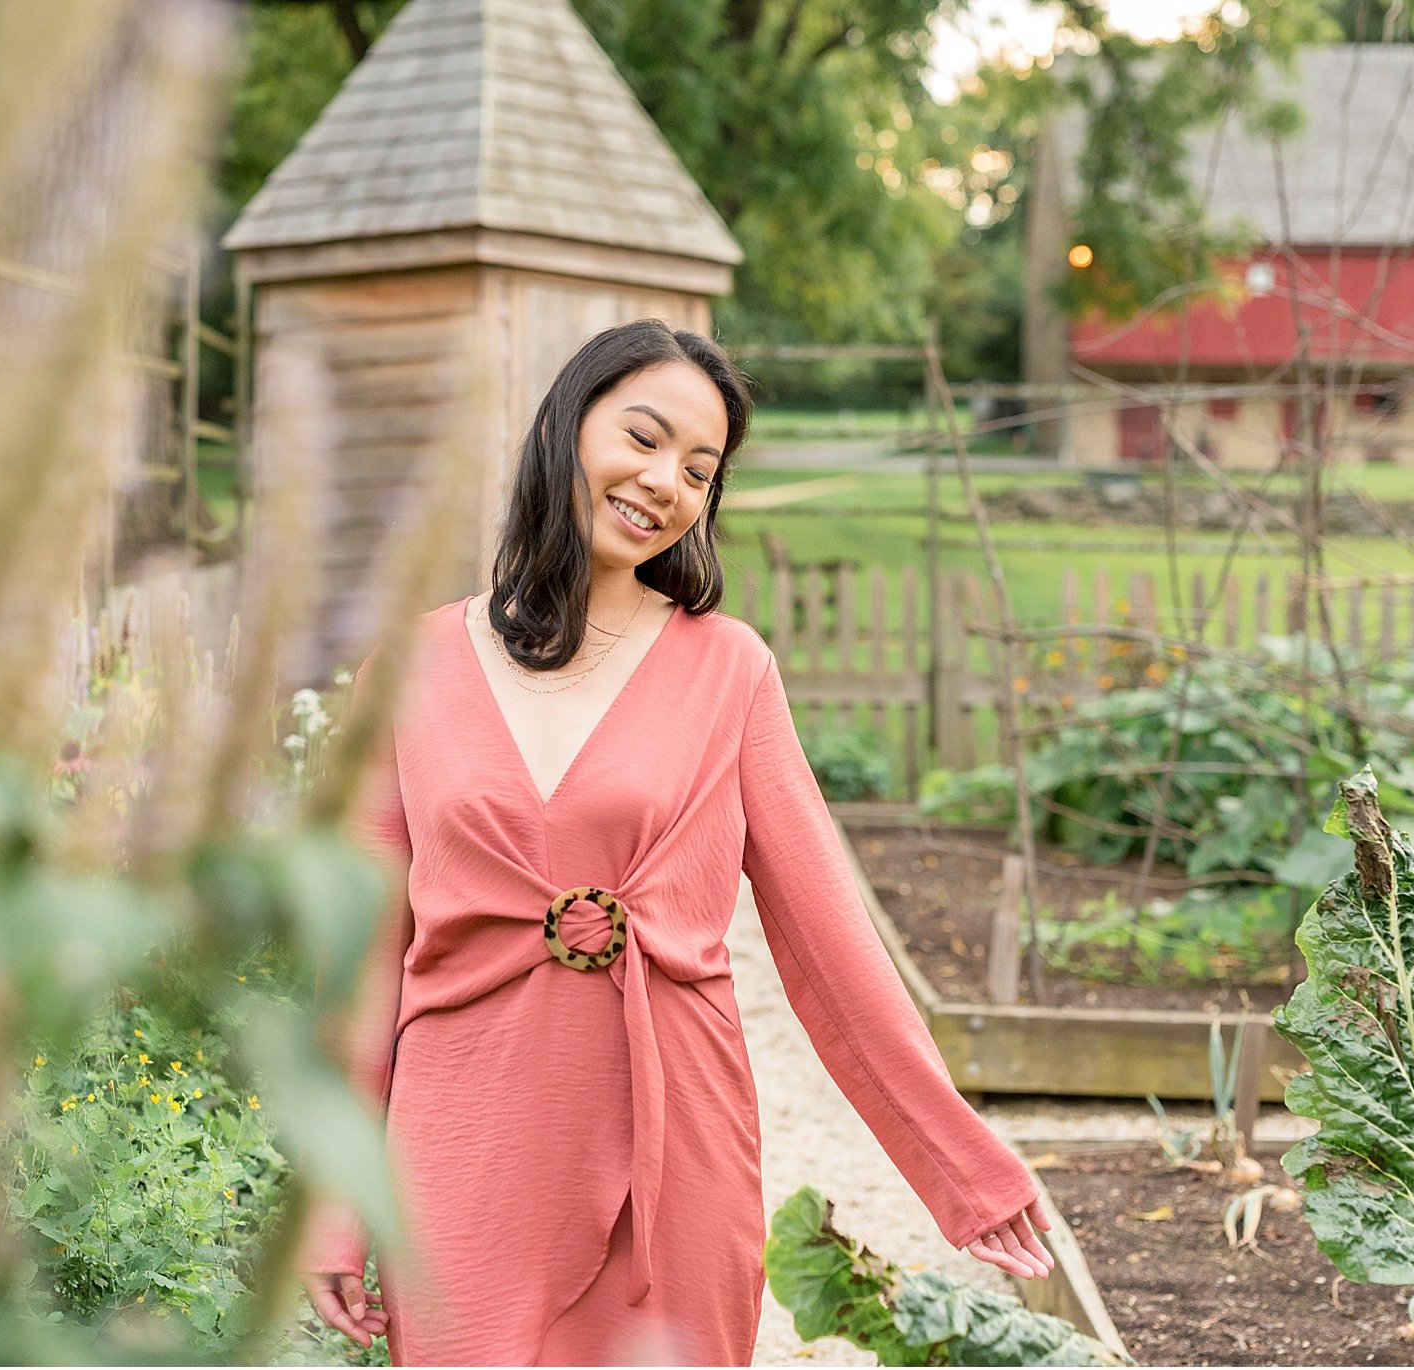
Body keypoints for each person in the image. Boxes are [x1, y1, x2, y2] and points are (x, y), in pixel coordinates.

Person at [297, 319, 1053, 1365]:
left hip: (676, 1144)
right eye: (643, 438)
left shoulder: (728, 671)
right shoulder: (412, 665)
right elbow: (356, 958)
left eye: (699, 469)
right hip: (461, 1153)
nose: (665, 481)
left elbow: (830, 947)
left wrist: (959, 1164)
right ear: (566, 426)